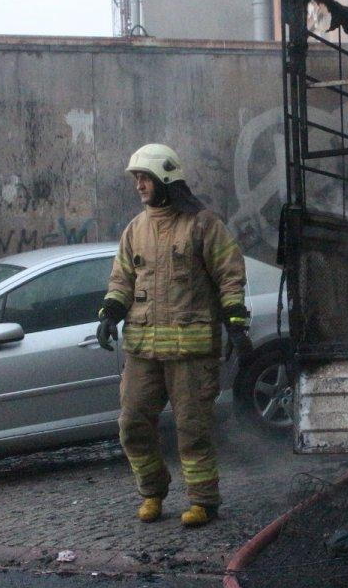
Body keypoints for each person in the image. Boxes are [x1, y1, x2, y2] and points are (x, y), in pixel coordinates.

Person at [97, 144, 251, 527]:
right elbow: (122, 279)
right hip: (143, 350)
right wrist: (110, 313)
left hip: (192, 352)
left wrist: (235, 321)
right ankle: (152, 492)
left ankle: (203, 500)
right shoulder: (136, 229)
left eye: (144, 178)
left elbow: (229, 274)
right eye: (136, 179)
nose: (139, 186)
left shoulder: (203, 225)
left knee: (192, 429)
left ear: (166, 178)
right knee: (132, 423)